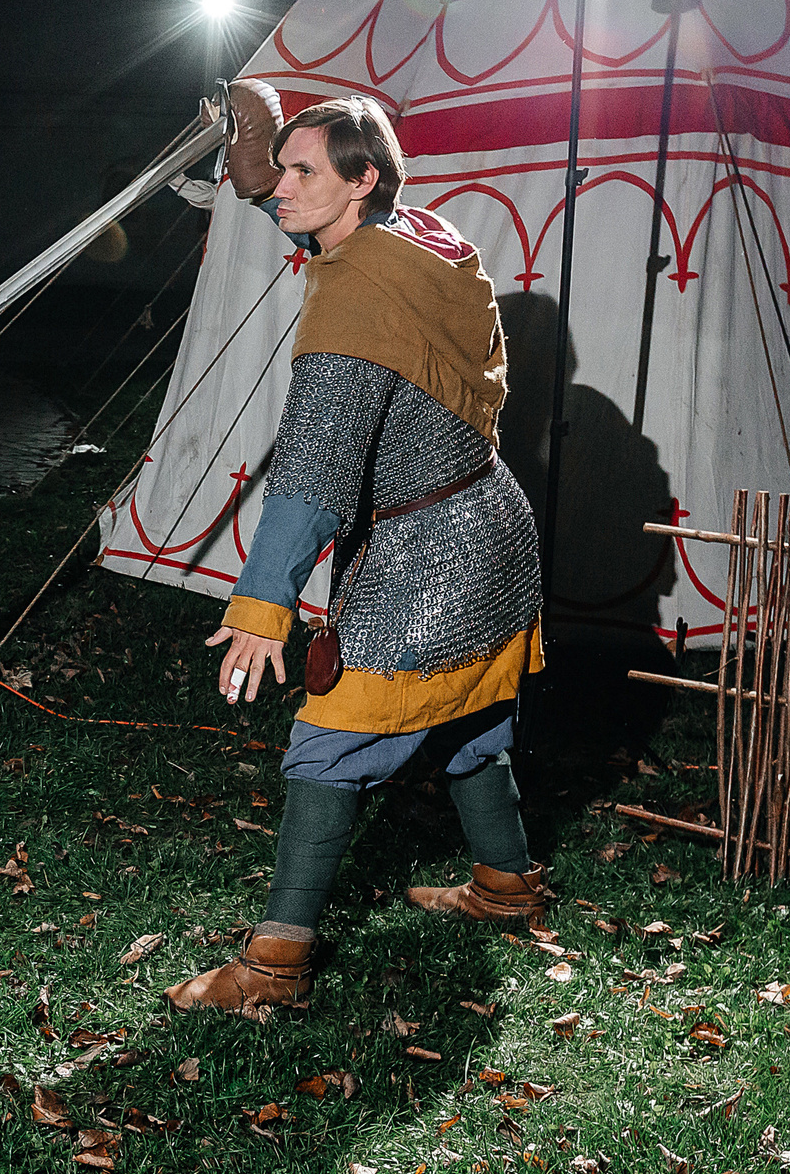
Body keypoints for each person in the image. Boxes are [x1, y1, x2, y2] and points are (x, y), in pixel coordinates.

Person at [168, 90, 544, 1013]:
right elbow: (333, 228)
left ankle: (275, 962)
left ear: (361, 180)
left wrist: (262, 606)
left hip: (428, 556)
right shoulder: (423, 238)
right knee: (471, 722)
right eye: (281, 170)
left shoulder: (357, 309)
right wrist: (262, 162)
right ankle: (507, 884)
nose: (283, 191)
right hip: (493, 523)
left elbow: (313, 474)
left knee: (326, 745)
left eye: (304, 175)